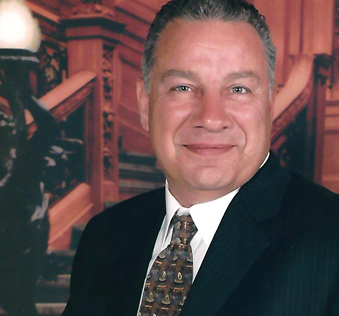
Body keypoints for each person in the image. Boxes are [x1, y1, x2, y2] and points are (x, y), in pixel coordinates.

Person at [62, 0, 339, 315]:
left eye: (238, 89)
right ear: (144, 105)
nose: (210, 117)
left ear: (270, 104)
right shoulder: (105, 235)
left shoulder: (330, 237)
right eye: (182, 87)